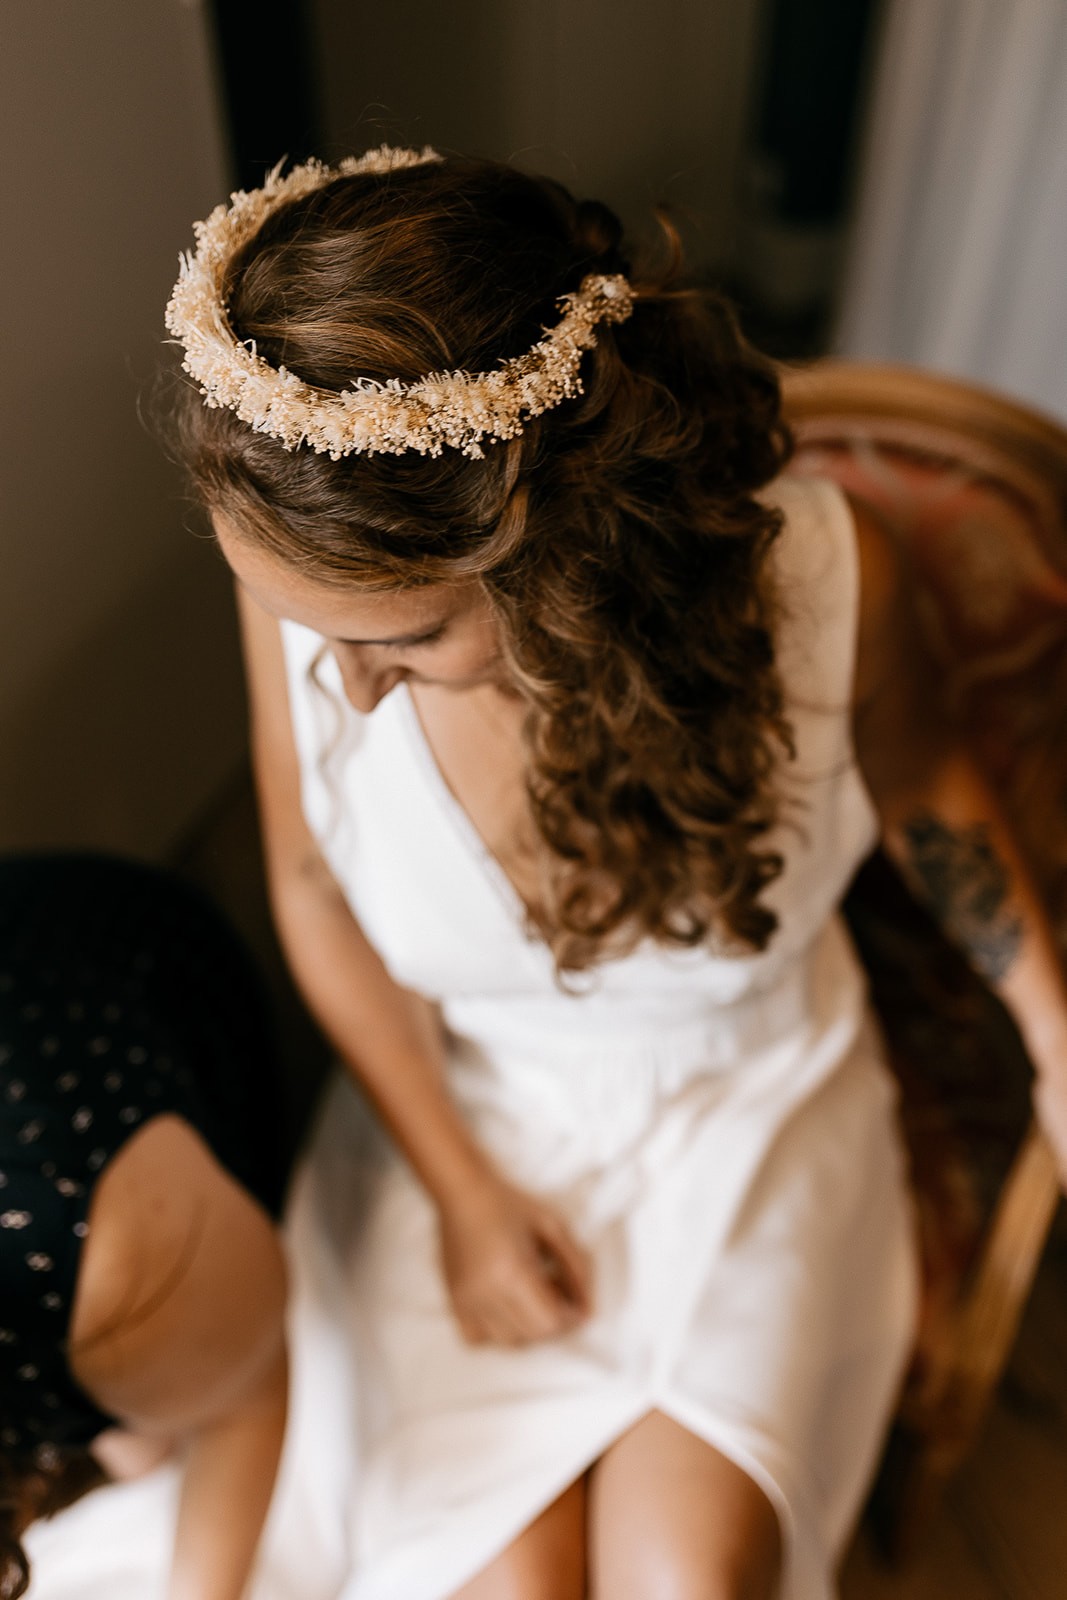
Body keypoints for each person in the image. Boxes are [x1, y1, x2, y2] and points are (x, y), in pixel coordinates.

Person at [165, 146, 1067, 1600]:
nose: (346, 692)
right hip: (462, 1110)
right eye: (311, 630)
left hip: (752, 1111)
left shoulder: (839, 591)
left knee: (685, 1583)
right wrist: (459, 1192)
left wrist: (1049, 1026)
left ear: (551, 550)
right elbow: (313, 895)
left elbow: (926, 796)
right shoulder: (305, 578)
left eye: (400, 644)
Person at [0, 854, 290, 1600]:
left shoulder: (101, 1263)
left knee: (173, 1391)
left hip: (137, 990)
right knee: (145, 1437)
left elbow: (253, 1387)